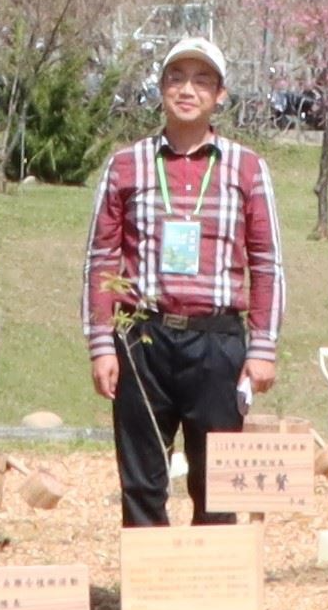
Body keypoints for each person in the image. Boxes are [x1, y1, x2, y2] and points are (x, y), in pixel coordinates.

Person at [86, 35, 280, 524]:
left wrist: (263, 348)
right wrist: (102, 345)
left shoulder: (247, 167)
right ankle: (150, 594)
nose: (187, 89)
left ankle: (209, 594)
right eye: (176, 78)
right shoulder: (126, 164)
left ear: (220, 94)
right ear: (160, 89)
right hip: (142, 338)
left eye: (201, 80)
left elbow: (266, 260)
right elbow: (101, 257)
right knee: (142, 479)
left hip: (216, 342)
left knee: (217, 482)